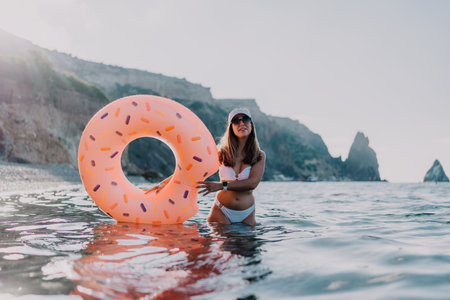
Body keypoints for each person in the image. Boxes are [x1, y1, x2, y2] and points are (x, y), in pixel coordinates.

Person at [197, 108, 265, 226]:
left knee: (248, 244)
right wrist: (167, 183)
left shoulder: (259, 155)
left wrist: (220, 186)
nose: (242, 123)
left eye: (245, 119)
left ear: (251, 125)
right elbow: (194, 169)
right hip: (221, 210)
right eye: (236, 121)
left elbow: (252, 184)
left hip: (247, 213)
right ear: (231, 127)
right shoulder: (220, 153)